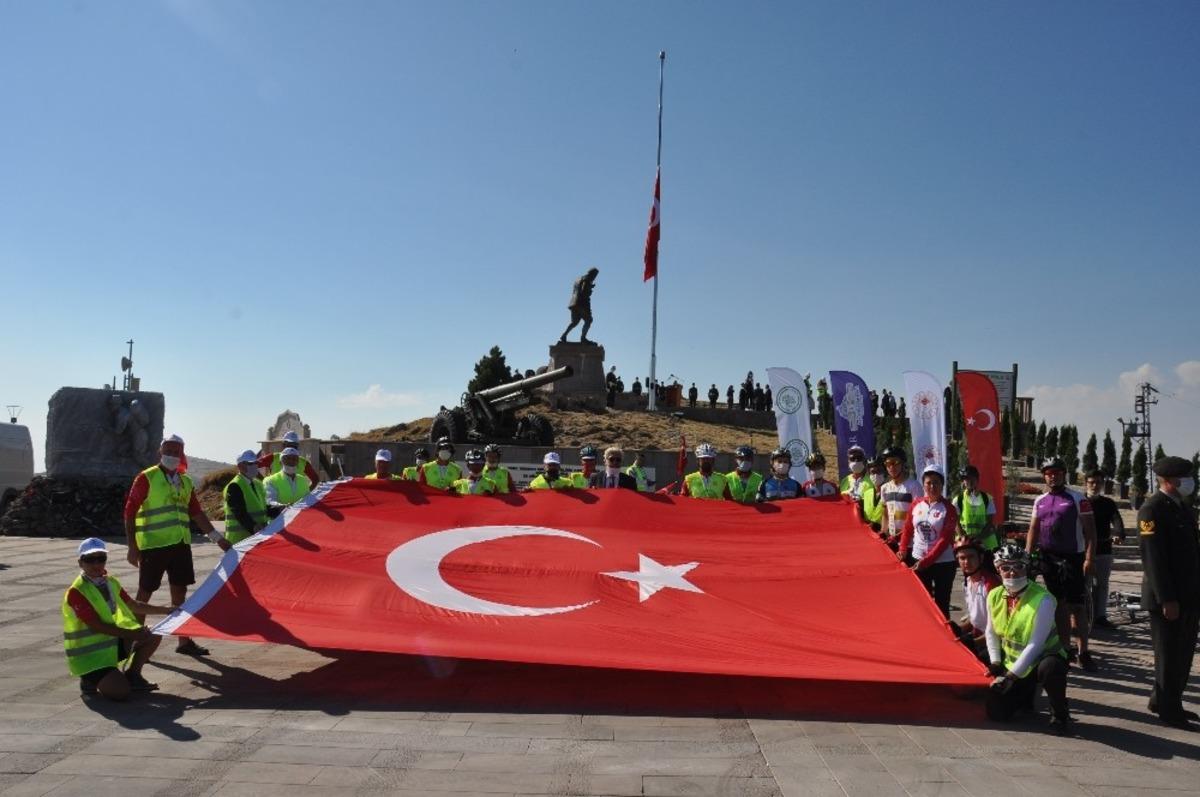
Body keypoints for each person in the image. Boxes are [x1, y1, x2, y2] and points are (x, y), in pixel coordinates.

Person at [124, 434, 229, 657]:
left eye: (176, 451)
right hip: (154, 545)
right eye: (168, 451)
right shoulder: (147, 478)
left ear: (181, 454)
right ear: (160, 453)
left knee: (180, 592)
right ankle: (133, 640)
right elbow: (130, 511)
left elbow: (197, 514)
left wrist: (217, 538)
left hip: (180, 544)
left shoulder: (185, 481)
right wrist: (132, 546)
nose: (171, 455)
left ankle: (184, 640)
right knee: (145, 593)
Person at [63, 538, 175, 699]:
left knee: (154, 633)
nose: (96, 564)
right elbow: (96, 626)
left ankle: (133, 675)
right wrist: (131, 635)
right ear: (80, 563)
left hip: (110, 646)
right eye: (90, 560)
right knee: (121, 693)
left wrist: (166, 610)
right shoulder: (77, 591)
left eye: (101, 559)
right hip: (90, 657)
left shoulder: (110, 582)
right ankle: (88, 680)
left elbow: (133, 604)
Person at [1138, 455, 1200, 728]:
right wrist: (1167, 598)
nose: (1190, 481)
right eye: (1185, 477)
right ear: (1170, 480)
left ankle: (1162, 699)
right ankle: (1169, 709)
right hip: (1168, 598)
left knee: (1183, 652)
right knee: (1169, 655)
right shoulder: (1152, 510)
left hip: (1188, 595)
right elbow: (1154, 558)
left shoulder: (1183, 508)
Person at [985, 544, 1072, 735]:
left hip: (1041, 660)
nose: (1012, 572)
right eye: (1005, 567)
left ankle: (1060, 713)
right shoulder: (994, 595)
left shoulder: (1044, 599)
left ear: (1027, 567)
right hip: (1013, 664)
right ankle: (1025, 696)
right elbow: (990, 632)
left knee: (1051, 668)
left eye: (1018, 566)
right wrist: (995, 663)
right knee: (997, 713)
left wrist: (1010, 677)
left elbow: (1036, 643)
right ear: (998, 570)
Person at [1026, 457, 1098, 672]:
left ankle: (1083, 651)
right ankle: (1065, 649)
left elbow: (1091, 532)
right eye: (1048, 473)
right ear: (1044, 476)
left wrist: (1089, 558)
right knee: (1058, 605)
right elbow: (1033, 529)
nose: (1052, 475)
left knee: (1077, 607)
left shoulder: (1078, 498)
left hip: (1073, 558)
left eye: (1056, 472)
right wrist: (1028, 555)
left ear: (1063, 474)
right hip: (1048, 558)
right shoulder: (1040, 500)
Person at [899, 464, 959, 618]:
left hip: (943, 564)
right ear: (923, 484)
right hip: (918, 560)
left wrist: (927, 561)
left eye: (936, 483)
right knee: (921, 604)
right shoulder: (916, 504)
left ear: (942, 484)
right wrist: (903, 548)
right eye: (928, 483)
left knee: (941, 605)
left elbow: (945, 540)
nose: (932, 486)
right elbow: (907, 528)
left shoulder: (949, 509)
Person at [1085, 468, 1125, 630]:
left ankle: (1100, 616)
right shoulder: (1079, 501)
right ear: (1086, 483)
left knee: (1101, 585)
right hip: (1083, 551)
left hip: (1103, 550)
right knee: (1084, 585)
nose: (1095, 485)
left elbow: (1117, 520)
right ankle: (1085, 616)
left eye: (1098, 483)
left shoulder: (1108, 503)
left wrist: (1118, 533)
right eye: (1091, 482)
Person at [952, 538, 1002, 659]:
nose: (966, 562)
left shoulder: (991, 585)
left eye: (971, 557)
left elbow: (999, 631)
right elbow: (976, 619)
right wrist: (956, 629)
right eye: (962, 558)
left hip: (994, 642)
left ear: (981, 558)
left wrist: (972, 643)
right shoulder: (968, 581)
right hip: (978, 634)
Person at [879, 447, 921, 551]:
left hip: (910, 543)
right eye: (888, 464)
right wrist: (883, 532)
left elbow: (917, 517)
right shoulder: (884, 488)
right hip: (891, 542)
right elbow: (885, 514)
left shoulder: (914, 485)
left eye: (895, 462)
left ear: (903, 464)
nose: (892, 467)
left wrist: (900, 536)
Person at [223, 450, 268, 545]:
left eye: (256, 463)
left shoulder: (258, 484)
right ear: (240, 466)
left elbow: (265, 507)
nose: (255, 466)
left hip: (256, 538)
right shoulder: (234, 485)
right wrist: (254, 527)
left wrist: (280, 508)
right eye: (250, 463)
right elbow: (239, 512)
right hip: (239, 540)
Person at [951, 465, 999, 552]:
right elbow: (955, 523)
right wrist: (965, 539)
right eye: (966, 479)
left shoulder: (987, 499)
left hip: (985, 544)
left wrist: (977, 539)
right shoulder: (958, 500)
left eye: (972, 478)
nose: (970, 481)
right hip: (964, 543)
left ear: (977, 479)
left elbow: (989, 523)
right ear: (963, 482)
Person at [264, 447, 313, 513]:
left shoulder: (303, 480)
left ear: (298, 462)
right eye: (287, 459)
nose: (291, 461)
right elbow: (269, 502)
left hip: (299, 520)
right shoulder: (270, 481)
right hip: (280, 520)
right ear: (280, 462)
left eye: (294, 459)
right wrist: (283, 506)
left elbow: (309, 500)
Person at [853, 457, 887, 531]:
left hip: (885, 535)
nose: (876, 475)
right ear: (869, 474)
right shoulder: (866, 493)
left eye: (879, 471)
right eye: (873, 472)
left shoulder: (892, 492)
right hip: (869, 536)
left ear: (885, 472)